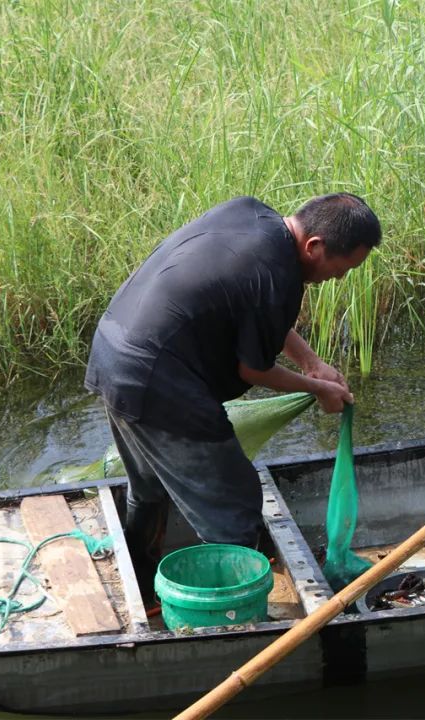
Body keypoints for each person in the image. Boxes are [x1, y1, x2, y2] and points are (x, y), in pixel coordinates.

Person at [85, 193, 381, 601]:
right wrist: (318, 388)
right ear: (315, 247)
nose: (340, 277)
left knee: (150, 485)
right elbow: (254, 370)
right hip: (159, 382)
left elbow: (255, 309)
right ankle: (231, 617)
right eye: (341, 268)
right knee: (234, 508)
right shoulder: (278, 274)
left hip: (113, 354)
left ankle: (144, 590)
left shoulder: (250, 215)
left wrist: (312, 363)